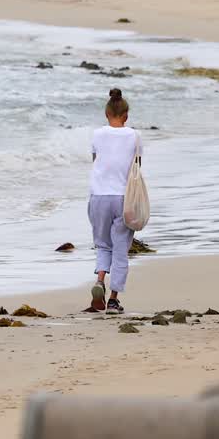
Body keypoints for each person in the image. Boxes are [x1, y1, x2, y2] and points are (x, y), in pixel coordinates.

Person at [88, 88, 139, 313]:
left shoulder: (97, 134)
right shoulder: (134, 136)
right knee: (120, 249)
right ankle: (113, 300)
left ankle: (99, 281)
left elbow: (95, 161)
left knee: (102, 244)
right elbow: (136, 167)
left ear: (106, 114)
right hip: (122, 198)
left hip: (98, 196)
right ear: (126, 115)